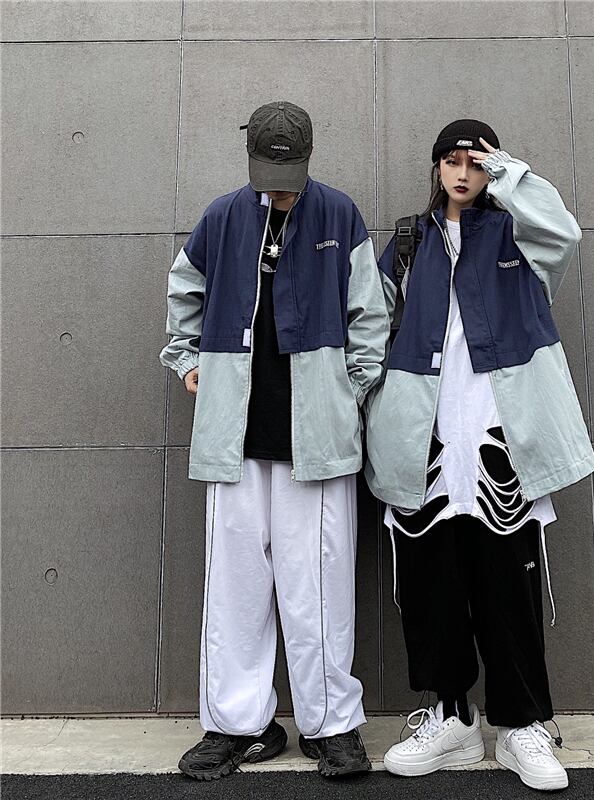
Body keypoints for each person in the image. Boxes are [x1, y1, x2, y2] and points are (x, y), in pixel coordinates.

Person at [364, 120, 594, 792]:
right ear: (436, 168)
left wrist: (510, 172)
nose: (463, 173)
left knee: (508, 590)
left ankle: (521, 726)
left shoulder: (519, 235)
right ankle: (452, 720)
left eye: (476, 162)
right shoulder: (408, 243)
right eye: (453, 161)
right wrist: (366, 401)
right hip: (425, 442)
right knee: (431, 590)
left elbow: (564, 233)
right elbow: (369, 324)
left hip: (503, 441)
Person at [160, 101, 388, 781]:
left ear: (308, 159)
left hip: (316, 439)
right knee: (234, 588)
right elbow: (184, 290)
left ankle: (333, 725)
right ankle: (237, 726)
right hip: (233, 436)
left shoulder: (339, 215)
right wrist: (187, 358)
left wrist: (350, 389)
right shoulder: (223, 217)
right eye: (268, 175)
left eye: (288, 176)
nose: (279, 188)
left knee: (320, 589)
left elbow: (369, 313)